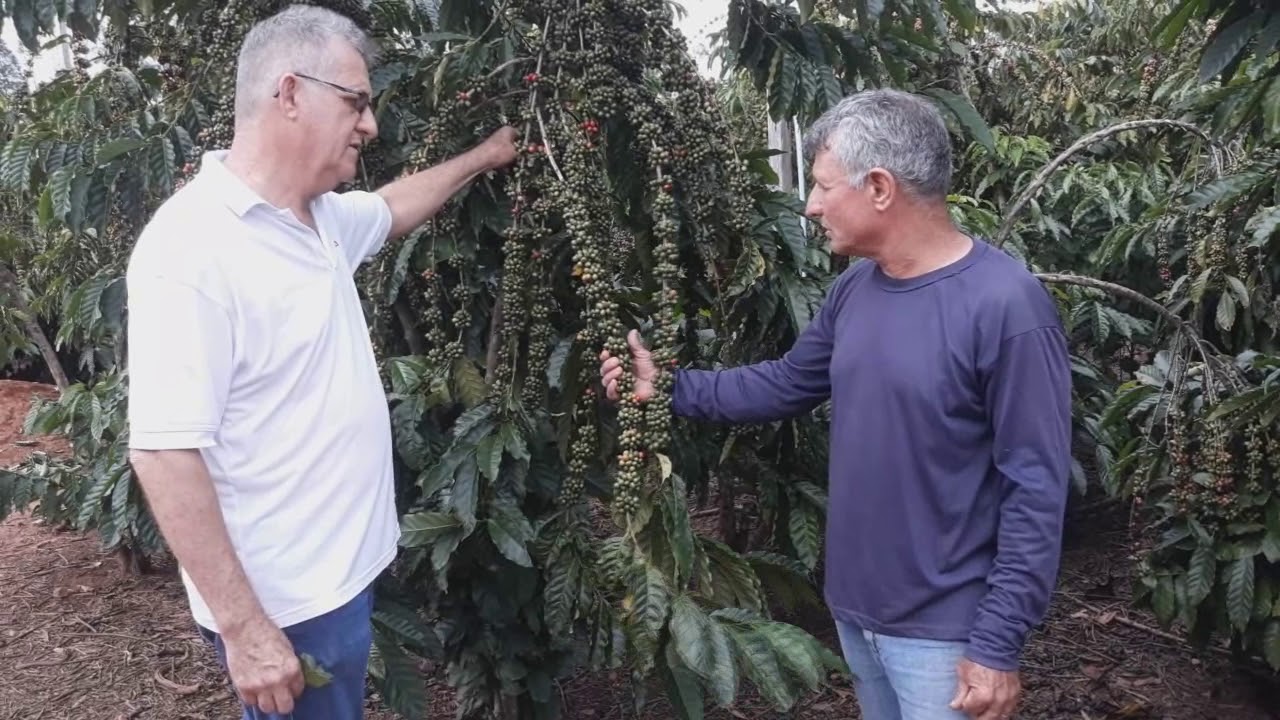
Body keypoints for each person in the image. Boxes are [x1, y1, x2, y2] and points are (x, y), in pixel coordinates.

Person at [600, 89, 1072, 720]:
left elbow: (1034, 487)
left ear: (879, 187)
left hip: (946, 632)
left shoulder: (1006, 305)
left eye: (823, 186)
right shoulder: (855, 289)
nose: (812, 204)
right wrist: (667, 387)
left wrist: (997, 641)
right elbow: (786, 382)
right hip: (855, 611)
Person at [124, 6, 518, 719]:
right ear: (290, 94)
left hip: (339, 578)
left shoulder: (322, 219)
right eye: (356, 103)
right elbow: (163, 451)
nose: (371, 125)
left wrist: (483, 157)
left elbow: (393, 207)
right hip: (289, 606)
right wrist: (246, 631)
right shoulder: (190, 248)